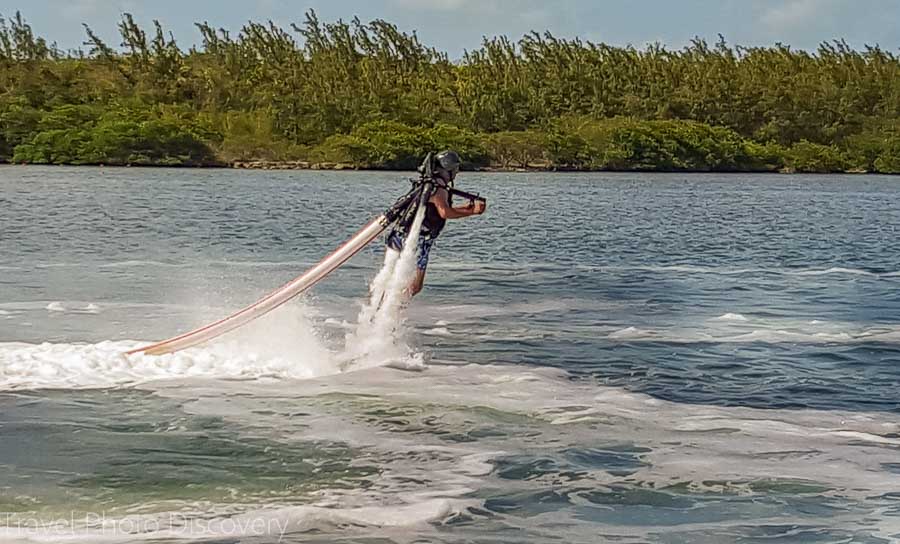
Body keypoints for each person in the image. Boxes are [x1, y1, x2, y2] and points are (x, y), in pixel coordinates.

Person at [385, 150, 487, 297]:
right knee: (414, 285)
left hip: (400, 233)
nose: (457, 173)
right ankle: (390, 313)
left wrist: (465, 208)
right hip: (418, 239)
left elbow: (436, 209)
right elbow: (444, 212)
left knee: (389, 277)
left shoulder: (427, 183)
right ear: (449, 168)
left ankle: (373, 309)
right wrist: (472, 212)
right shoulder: (439, 187)